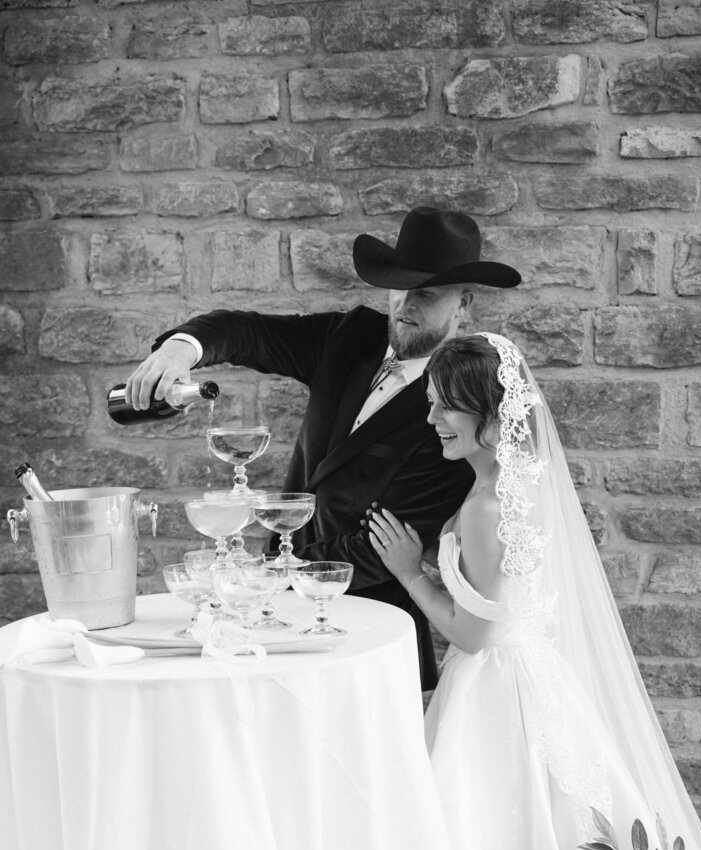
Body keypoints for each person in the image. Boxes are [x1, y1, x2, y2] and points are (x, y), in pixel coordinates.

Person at [368, 332, 701, 850]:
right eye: (432, 403)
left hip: (494, 691)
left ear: (491, 413)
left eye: (445, 407)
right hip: (535, 678)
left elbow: (476, 633)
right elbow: (507, 604)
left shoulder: (485, 505)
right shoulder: (522, 482)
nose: (432, 419)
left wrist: (411, 574)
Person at [125, 207, 521, 688]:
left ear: (464, 304)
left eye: (426, 294)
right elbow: (246, 332)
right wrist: (179, 350)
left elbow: (382, 548)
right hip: (279, 619)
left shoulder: (459, 420)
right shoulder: (348, 338)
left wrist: (273, 573)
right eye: (398, 287)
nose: (405, 304)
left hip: (368, 630)